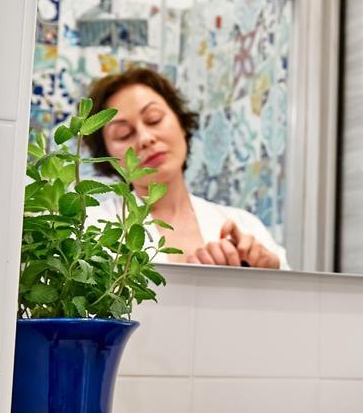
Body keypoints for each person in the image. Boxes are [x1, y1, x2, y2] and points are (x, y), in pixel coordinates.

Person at [83, 67, 287, 269]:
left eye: (154, 119)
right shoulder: (93, 229)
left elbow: (297, 299)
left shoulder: (245, 226)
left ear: (181, 123)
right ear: (107, 157)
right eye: (123, 134)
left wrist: (270, 273)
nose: (145, 139)